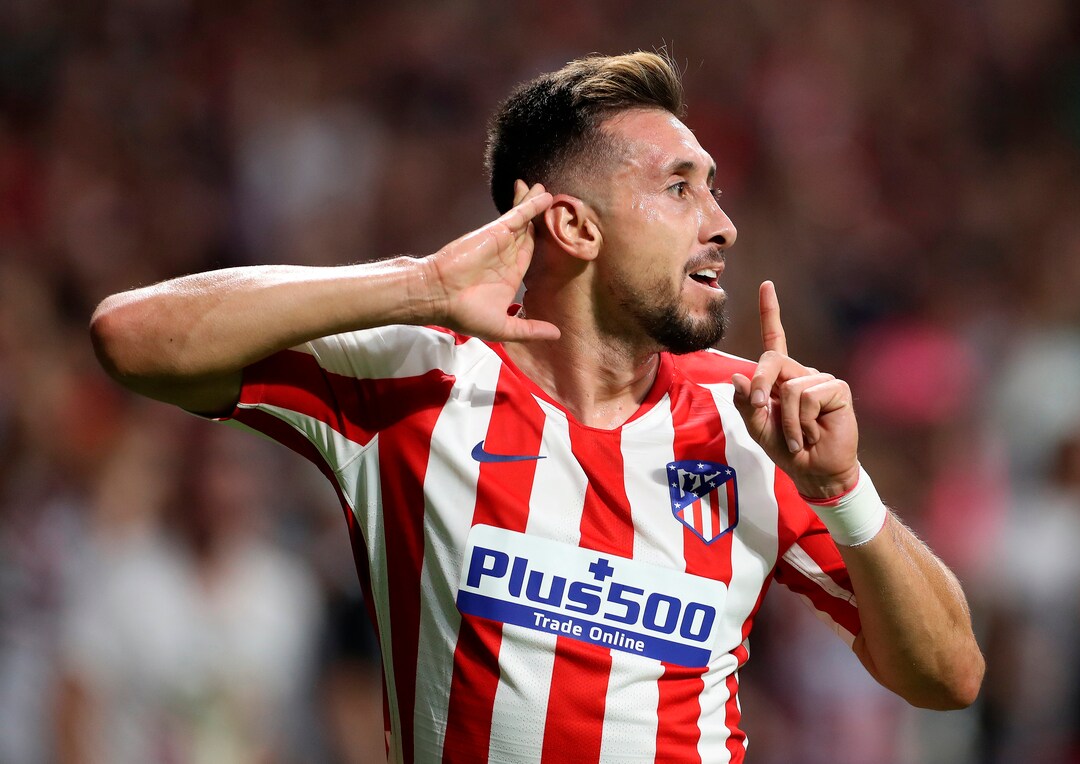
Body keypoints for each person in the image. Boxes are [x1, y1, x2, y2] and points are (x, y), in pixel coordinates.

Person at [90, 51, 984, 763]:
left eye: (713, 187)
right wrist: (416, 286)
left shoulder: (751, 422)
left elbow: (949, 678)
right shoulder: (420, 379)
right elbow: (130, 338)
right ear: (574, 226)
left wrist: (843, 490)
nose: (721, 223)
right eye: (681, 187)